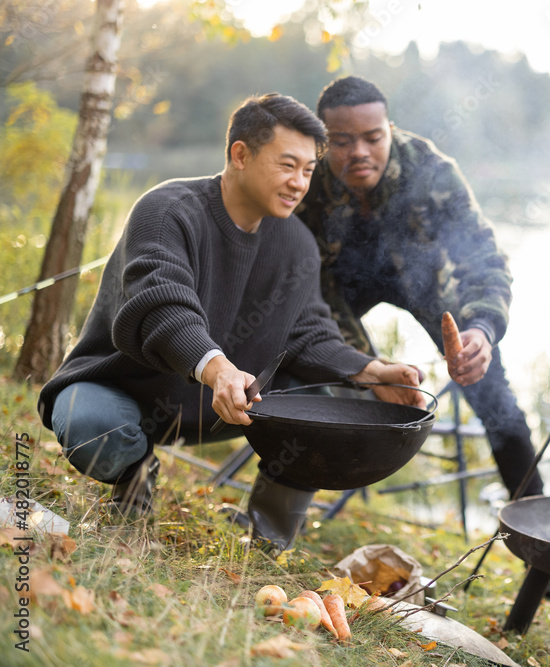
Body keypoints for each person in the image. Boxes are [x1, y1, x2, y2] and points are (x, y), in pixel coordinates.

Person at [37, 93, 425, 550]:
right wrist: (218, 369)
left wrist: (370, 371)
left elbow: (308, 331)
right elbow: (163, 306)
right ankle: (134, 484)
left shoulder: (297, 242)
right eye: (287, 165)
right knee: (92, 429)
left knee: (328, 397)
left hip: (227, 405)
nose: (299, 183)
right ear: (240, 154)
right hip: (123, 391)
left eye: (307, 169)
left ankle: (267, 537)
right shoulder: (167, 210)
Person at [297, 75, 544, 500]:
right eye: (342, 142)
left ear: (389, 130)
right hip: (337, 286)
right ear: (322, 142)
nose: (359, 152)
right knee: (316, 362)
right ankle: (305, 494)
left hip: (426, 283)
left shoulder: (434, 171)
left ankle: (535, 531)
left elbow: (484, 259)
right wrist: (364, 367)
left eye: (373, 138)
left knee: (494, 399)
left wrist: (482, 328)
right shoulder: (305, 179)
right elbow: (299, 284)